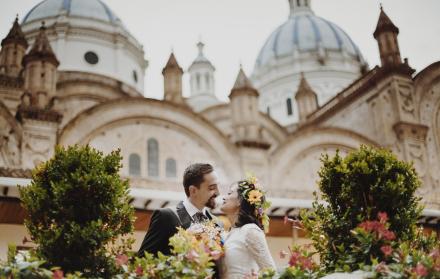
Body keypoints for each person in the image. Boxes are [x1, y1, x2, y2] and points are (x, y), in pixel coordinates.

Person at [137, 163, 220, 256]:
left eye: (217, 187)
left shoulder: (217, 223)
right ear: (193, 190)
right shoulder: (165, 217)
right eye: (212, 188)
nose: (218, 193)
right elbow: (142, 259)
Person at [220, 177, 276, 278]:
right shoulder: (228, 234)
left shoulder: (250, 230)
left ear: (240, 201)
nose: (224, 197)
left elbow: (271, 272)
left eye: (229, 193)